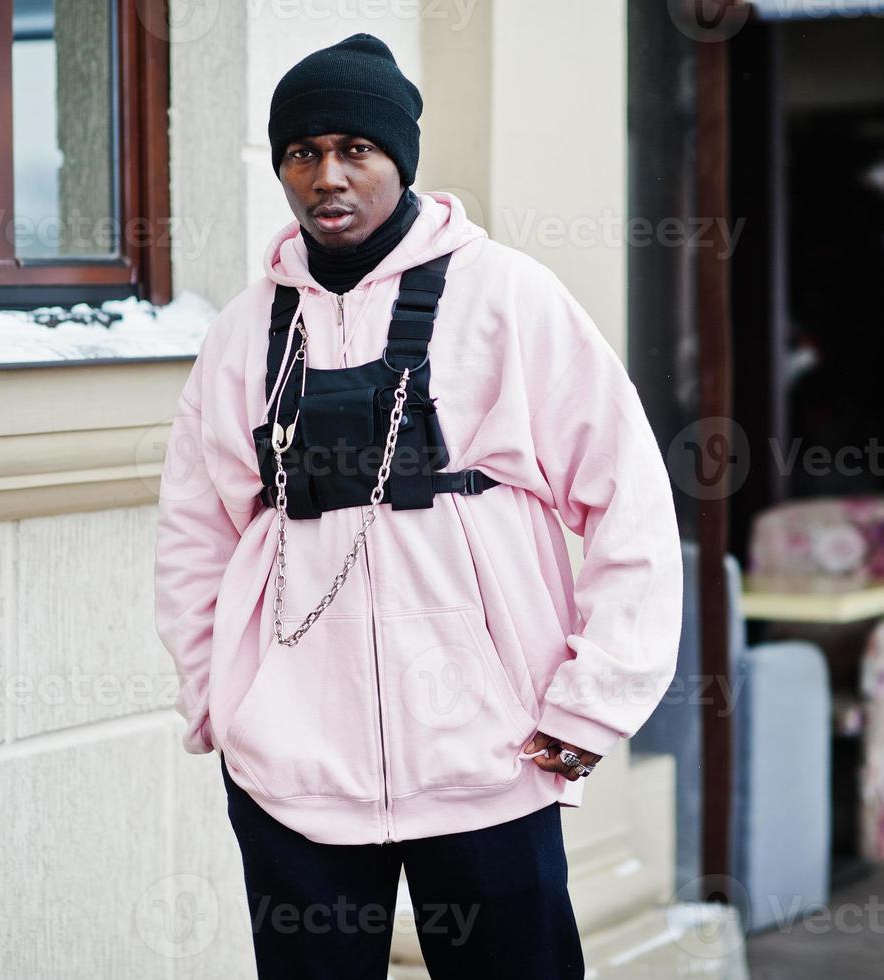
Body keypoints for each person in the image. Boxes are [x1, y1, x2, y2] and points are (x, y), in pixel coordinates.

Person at [153, 32, 683, 979]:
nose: (328, 176)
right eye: (303, 152)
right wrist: (222, 704)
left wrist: (593, 701)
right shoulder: (242, 334)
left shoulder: (509, 297)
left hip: (494, 751)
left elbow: (627, 501)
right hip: (292, 767)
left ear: (399, 157)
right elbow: (195, 536)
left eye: (355, 149)